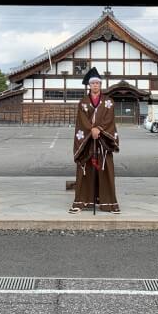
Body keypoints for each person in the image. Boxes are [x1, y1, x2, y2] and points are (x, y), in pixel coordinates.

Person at [69, 67, 120, 213]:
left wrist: (99, 130)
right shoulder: (83, 102)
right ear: (89, 85)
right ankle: (81, 202)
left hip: (103, 141)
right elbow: (82, 120)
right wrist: (91, 130)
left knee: (106, 169)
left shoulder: (108, 102)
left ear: (100, 85)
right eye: (93, 84)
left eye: (98, 83)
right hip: (87, 142)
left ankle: (109, 204)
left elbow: (109, 119)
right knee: (86, 170)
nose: (95, 86)